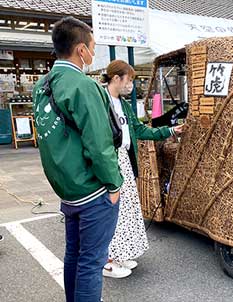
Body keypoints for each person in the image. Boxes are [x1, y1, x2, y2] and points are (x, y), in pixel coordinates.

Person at [33, 17, 123, 302]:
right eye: (93, 48)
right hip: (92, 189)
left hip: (66, 189)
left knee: (74, 254)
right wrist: (114, 184)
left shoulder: (42, 84)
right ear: (81, 50)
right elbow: (100, 145)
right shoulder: (83, 86)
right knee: (92, 263)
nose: (93, 55)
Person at [99, 60, 184, 278]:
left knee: (125, 210)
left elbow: (140, 130)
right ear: (117, 78)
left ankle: (120, 253)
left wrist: (172, 130)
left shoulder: (123, 104)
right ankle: (106, 261)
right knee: (110, 212)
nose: (131, 85)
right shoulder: (100, 100)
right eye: (129, 80)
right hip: (109, 161)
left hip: (124, 161)